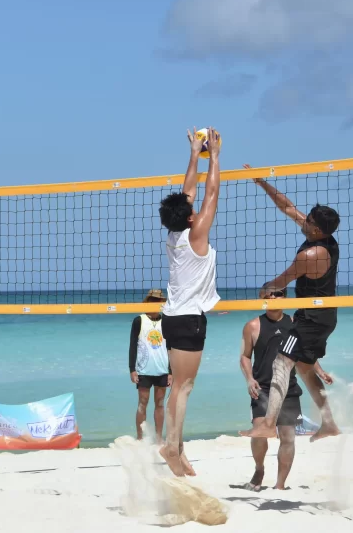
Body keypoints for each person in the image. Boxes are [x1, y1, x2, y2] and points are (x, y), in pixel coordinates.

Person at [240, 166, 341, 442]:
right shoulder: (321, 237)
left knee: (281, 364)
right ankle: (329, 423)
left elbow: (281, 282)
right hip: (320, 316)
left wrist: (266, 289)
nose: (302, 221)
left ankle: (267, 423)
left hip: (313, 319)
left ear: (316, 229)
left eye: (307, 220)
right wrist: (262, 182)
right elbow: (288, 207)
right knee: (305, 369)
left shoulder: (312, 255)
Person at [158, 127, 222, 476]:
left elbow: (190, 193)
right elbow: (210, 192)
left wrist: (193, 154)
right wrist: (213, 156)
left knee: (178, 387)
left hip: (172, 318)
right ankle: (171, 447)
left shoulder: (174, 233)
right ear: (190, 217)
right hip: (188, 319)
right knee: (184, 387)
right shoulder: (196, 234)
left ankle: (177, 449)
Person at [239, 288, 317, 491]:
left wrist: (320, 371)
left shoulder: (294, 324)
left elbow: (307, 353)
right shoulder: (253, 326)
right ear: (263, 298)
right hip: (262, 387)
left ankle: (280, 485)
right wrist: (249, 379)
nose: (273, 297)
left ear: (286, 297)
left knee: (288, 436)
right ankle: (259, 469)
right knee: (259, 433)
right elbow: (245, 356)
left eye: (279, 293)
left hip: (288, 389)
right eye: (269, 294)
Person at [128, 289, 172, 442]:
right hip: (144, 370)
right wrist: (132, 369)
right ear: (147, 302)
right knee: (142, 403)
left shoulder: (166, 321)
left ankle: (159, 437)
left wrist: (171, 372)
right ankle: (140, 438)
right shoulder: (139, 320)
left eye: (158, 301)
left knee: (160, 403)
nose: (155, 303)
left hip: (162, 370)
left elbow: (170, 347)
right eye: (152, 300)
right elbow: (133, 346)